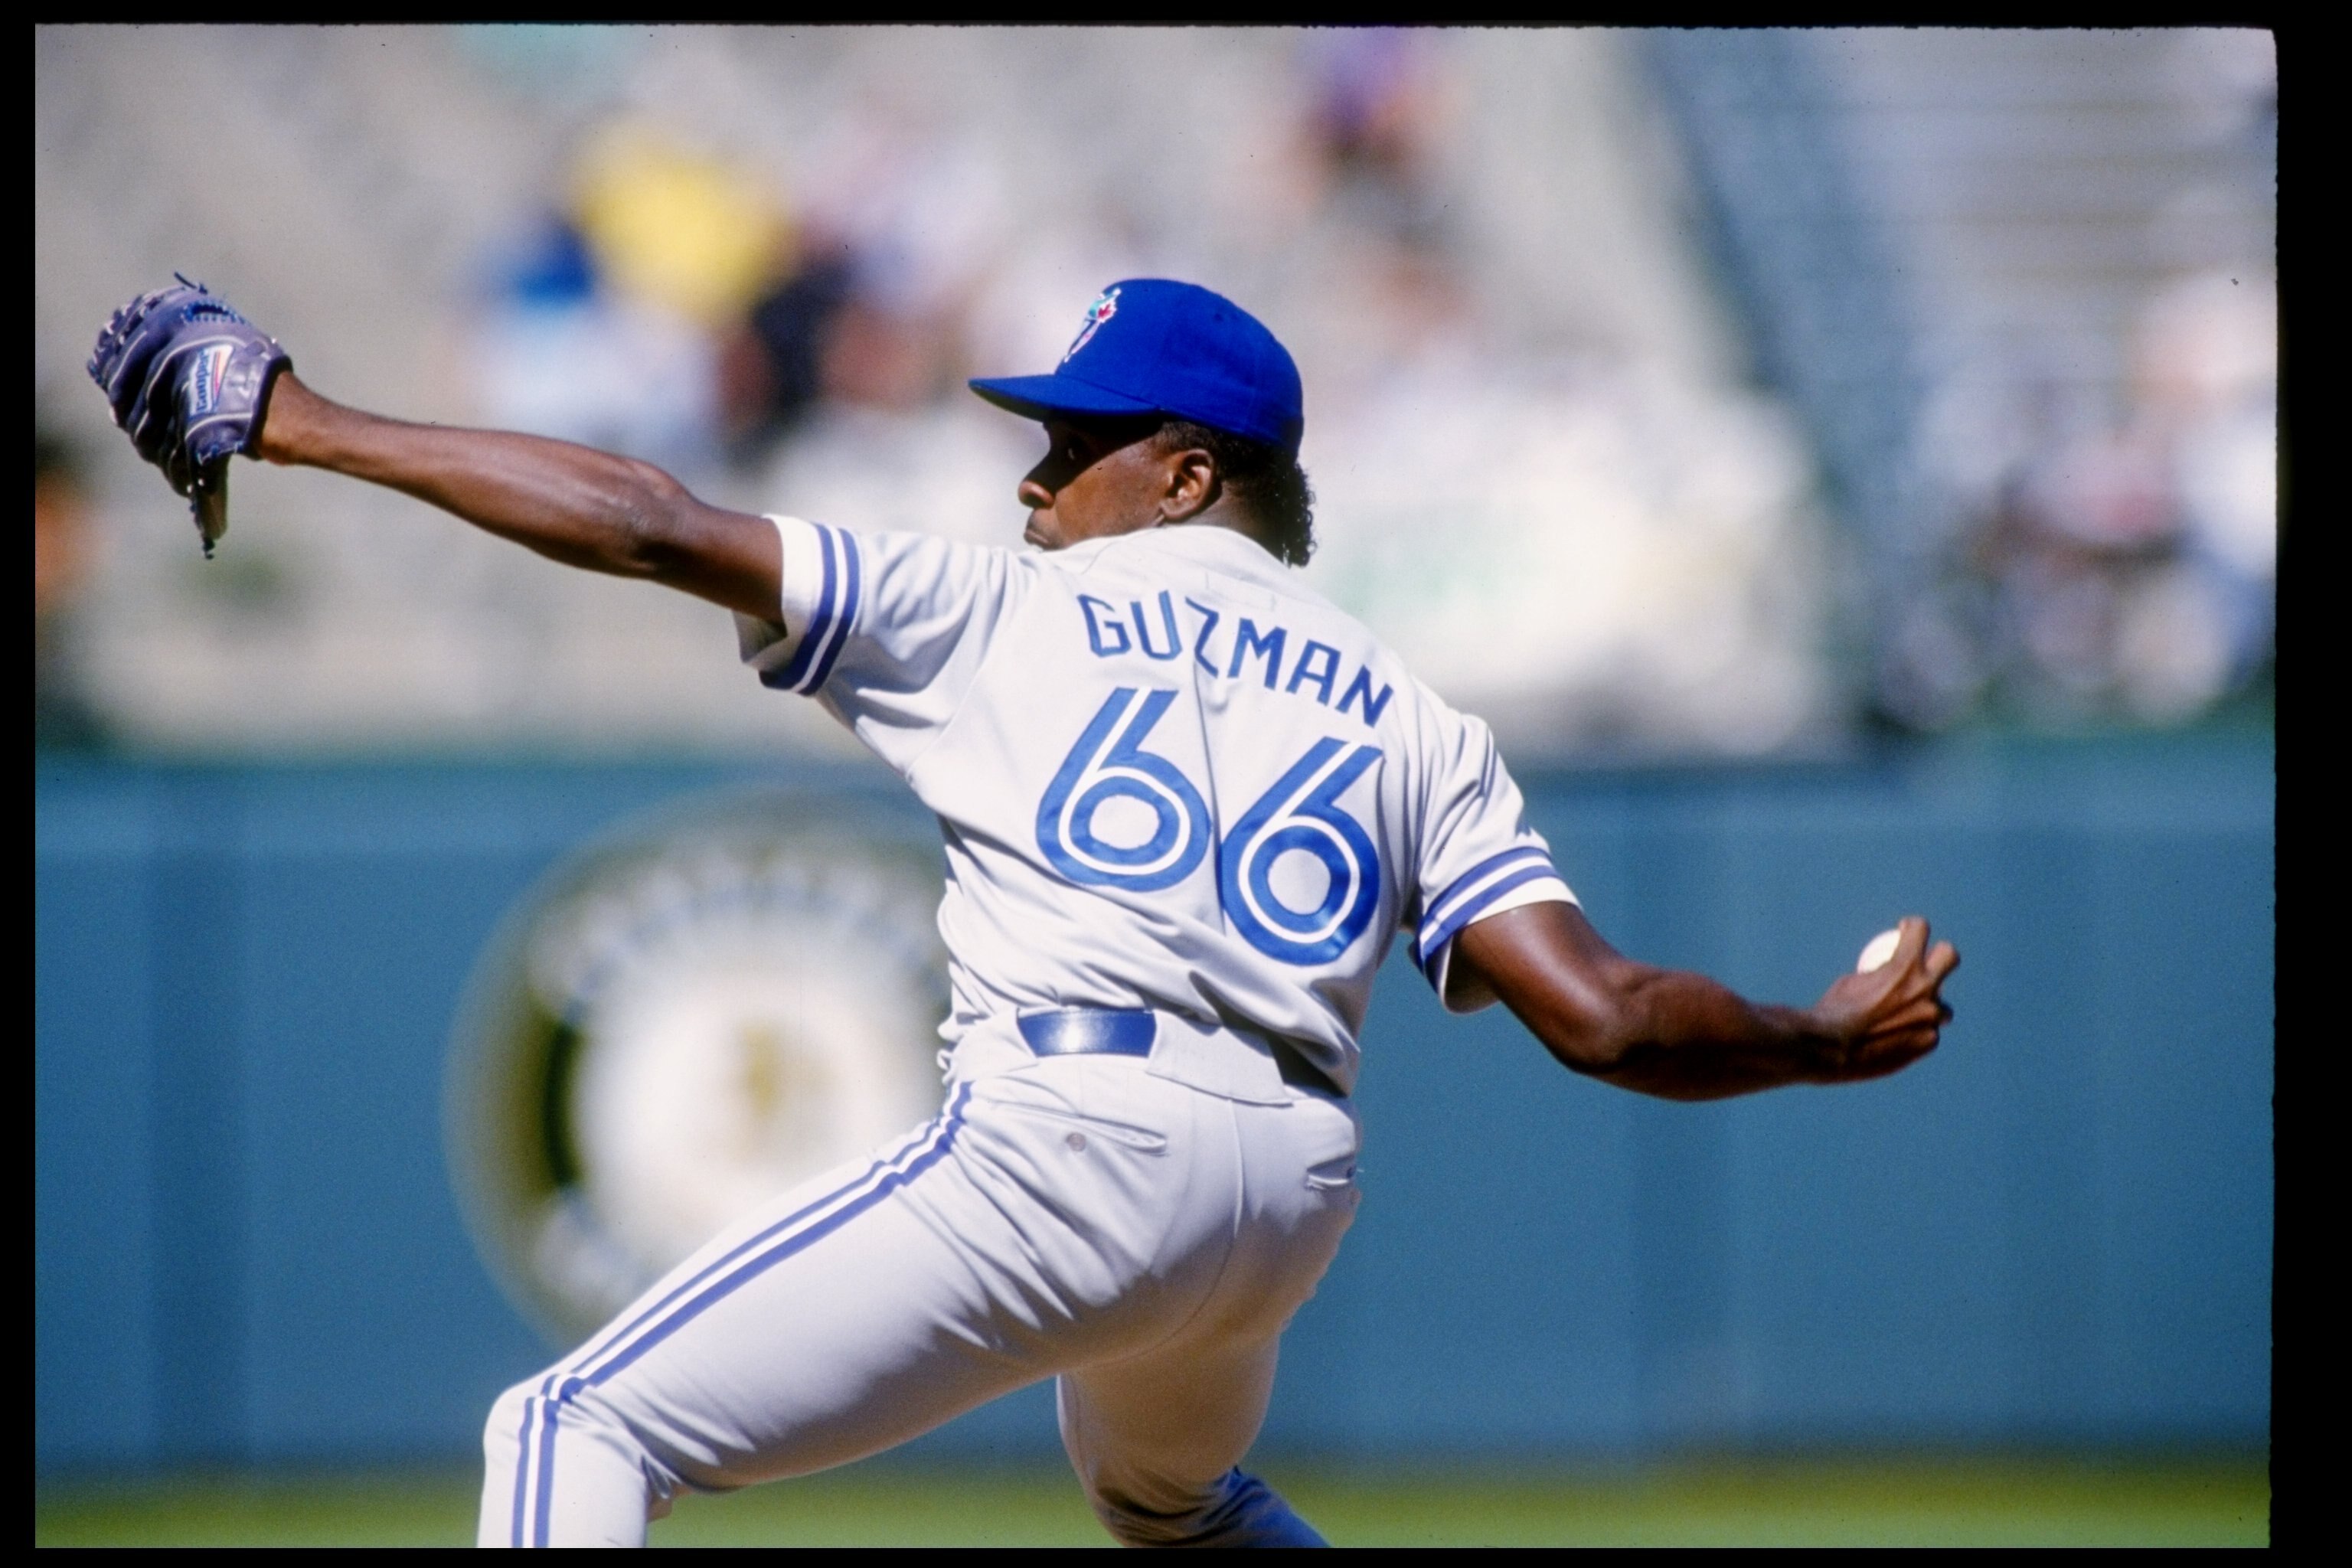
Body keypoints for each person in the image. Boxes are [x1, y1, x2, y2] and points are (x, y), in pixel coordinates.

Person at [89, 276, 1958, 1548]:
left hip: (1078, 1144)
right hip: (1286, 1192)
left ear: (1191, 472)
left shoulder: (1013, 608)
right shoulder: (1406, 703)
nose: (1035, 477)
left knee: (571, 1433)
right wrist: (1818, 1032)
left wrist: (300, 417)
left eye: (1077, 443)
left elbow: (656, 519)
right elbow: (1610, 1015)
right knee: (1175, 1505)